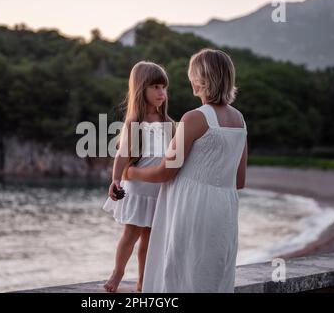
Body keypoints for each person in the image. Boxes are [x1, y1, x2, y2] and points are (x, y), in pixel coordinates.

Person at [125, 49, 248, 292]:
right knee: (211, 277)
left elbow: (164, 173)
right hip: (224, 209)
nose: (189, 78)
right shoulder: (240, 120)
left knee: (179, 275)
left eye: (192, 74)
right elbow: (240, 179)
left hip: (190, 209)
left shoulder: (194, 118)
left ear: (201, 79)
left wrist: (130, 173)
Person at [102, 61, 176, 292]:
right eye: (155, 87)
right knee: (131, 233)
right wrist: (115, 180)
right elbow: (122, 155)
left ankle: (144, 281)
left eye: (163, 87)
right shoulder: (135, 122)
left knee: (150, 240)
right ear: (140, 89)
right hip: (137, 188)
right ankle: (117, 274)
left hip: (159, 191)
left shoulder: (170, 124)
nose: (161, 92)